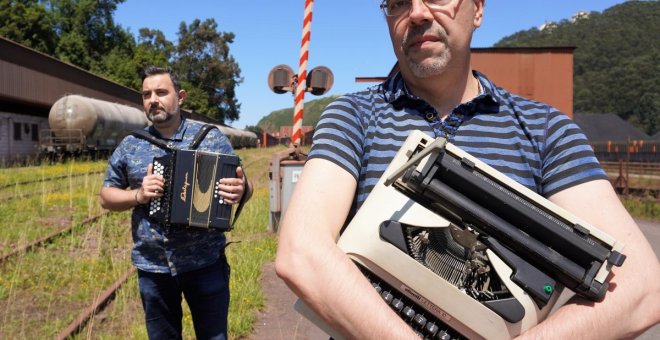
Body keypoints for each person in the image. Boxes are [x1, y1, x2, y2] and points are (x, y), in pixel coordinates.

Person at [275, 0, 660, 338]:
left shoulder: (546, 131)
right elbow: (302, 252)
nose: (418, 13)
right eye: (398, 3)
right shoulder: (352, 117)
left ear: (477, 9)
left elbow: (642, 287)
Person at [100, 65, 251, 340]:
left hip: (205, 262)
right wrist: (138, 195)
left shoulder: (210, 138)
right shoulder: (131, 144)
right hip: (153, 267)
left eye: (161, 92)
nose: (153, 100)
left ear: (180, 97)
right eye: (146, 94)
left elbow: (243, 184)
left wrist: (241, 190)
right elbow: (106, 196)